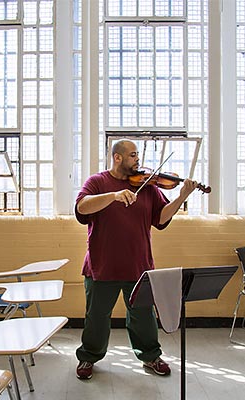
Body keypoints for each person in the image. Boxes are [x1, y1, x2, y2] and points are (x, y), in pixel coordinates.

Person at [74, 139, 198, 380]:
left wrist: (181, 196)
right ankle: (88, 357)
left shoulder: (148, 186)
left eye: (137, 156)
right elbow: (82, 207)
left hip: (138, 266)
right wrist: (113, 196)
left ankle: (150, 356)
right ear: (117, 157)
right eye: (132, 156)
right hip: (101, 266)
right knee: (96, 318)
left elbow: (161, 218)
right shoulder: (98, 182)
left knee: (144, 316)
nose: (138, 161)